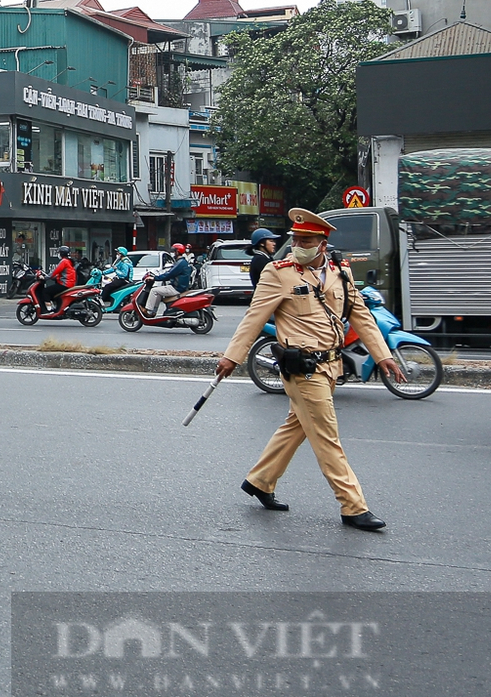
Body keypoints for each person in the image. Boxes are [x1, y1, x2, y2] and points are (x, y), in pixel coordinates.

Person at [213, 208, 406, 531]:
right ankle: (353, 506)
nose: (299, 244)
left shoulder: (340, 271)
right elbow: (254, 317)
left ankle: (260, 480)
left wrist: (383, 356)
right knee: (327, 437)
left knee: (297, 425)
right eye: (296, 239)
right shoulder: (279, 272)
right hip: (302, 369)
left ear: (322, 242)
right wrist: (232, 356)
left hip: (331, 365)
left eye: (306, 239)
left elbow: (359, 315)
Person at [145, 243, 196, 316]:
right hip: (180, 287)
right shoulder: (182, 262)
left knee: (154, 291)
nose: (172, 253)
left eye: (173, 251)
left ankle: (149, 311)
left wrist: (154, 278)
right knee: (158, 292)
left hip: (176, 288)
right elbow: (169, 272)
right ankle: (153, 311)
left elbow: (169, 274)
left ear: (177, 252)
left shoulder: (180, 263)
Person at [39, 246, 76, 314]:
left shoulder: (64, 261)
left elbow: (55, 271)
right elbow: (62, 273)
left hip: (65, 284)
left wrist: (45, 278)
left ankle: (49, 310)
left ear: (62, 253)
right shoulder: (68, 261)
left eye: (59, 253)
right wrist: (54, 277)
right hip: (68, 283)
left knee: (45, 291)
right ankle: (56, 308)